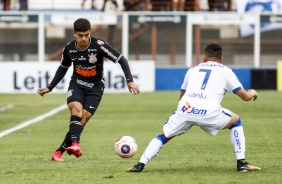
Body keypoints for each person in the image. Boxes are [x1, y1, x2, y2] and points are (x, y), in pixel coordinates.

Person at [127, 43, 261, 172]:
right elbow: (245, 97)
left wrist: (186, 113)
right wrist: (253, 92)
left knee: (163, 135)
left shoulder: (193, 69)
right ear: (221, 59)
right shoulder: (226, 71)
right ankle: (241, 163)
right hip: (209, 113)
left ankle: (140, 164)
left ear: (204, 58)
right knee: (236, 121)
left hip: (186, 109)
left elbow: (182, 96)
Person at [37, 18, 140, 162]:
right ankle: (76, 145)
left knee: (83, 120)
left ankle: (59, 152)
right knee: (75, 110)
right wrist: (50, 87)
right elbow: (63, 68)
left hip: (95, 87)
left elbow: (121, 59)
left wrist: (129, 80)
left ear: (90, 32)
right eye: (80, 35)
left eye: (86, 34)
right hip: (77, 84)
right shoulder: (69, 48)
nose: (84, 38)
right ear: (74, 34)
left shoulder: (99, 45)